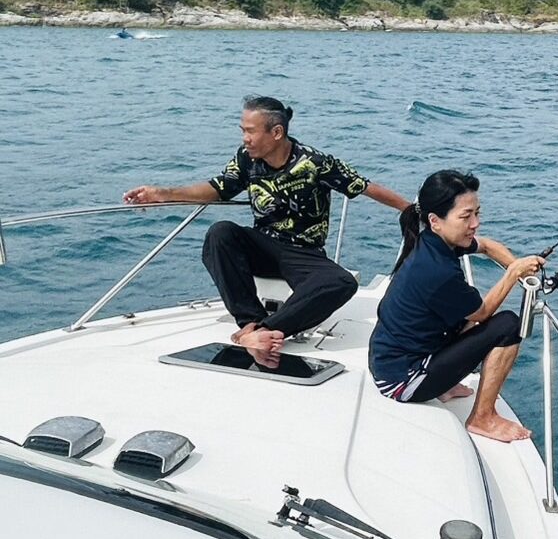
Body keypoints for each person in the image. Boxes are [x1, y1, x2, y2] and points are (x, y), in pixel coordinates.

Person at [123, 96, 407, 367]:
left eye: (250, 131)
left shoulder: (315, 163)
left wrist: (414, 212)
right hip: (263, 245)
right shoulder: (247, 159)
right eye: (242, 131)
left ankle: (263, 330)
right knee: (220, 233)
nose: (244, 138)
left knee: (341, 282)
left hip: (303, 253)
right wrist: (163, 193)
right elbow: (218, 188)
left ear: (276, 132)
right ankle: (249, 321)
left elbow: (366, 187)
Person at [369, 170, 544, 442]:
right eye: (466, 216)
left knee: (466, 318)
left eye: (477, 213)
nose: (475, 223)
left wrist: (518, 266)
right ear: (435, 221)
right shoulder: (436, 271)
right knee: (508, 324)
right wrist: (513, 274)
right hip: (403, 381)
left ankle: (444, 386)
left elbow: (486, 246)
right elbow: (483, 312)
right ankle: (482, 418)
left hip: (389, 363)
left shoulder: (436, 241)